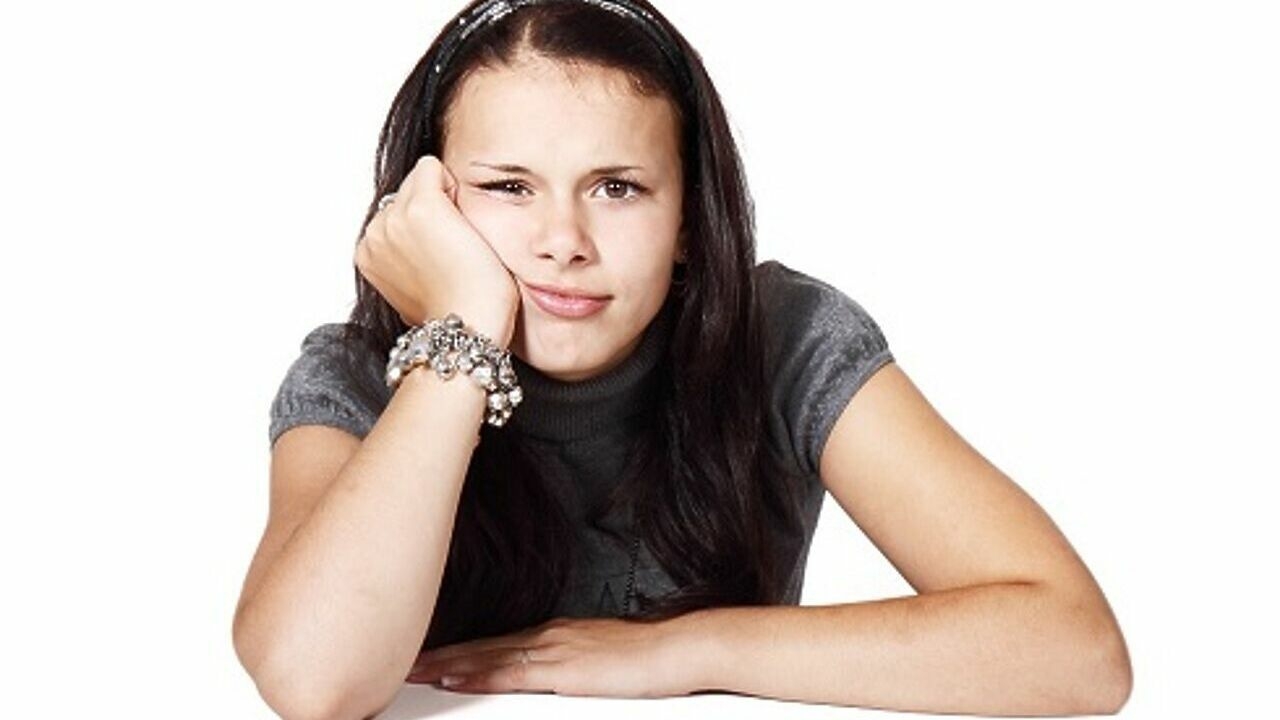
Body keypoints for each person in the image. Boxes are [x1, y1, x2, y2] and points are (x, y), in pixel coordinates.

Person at [232, 1, 1132, 717]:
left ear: (691, 220)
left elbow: (1076, 650)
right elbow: (312, 681)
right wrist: (460, 336)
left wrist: (683, 649)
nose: (563, 241)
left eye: (616, 187)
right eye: (509, 187)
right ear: (425, 203)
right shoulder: (358, 374)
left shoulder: (786, 337)